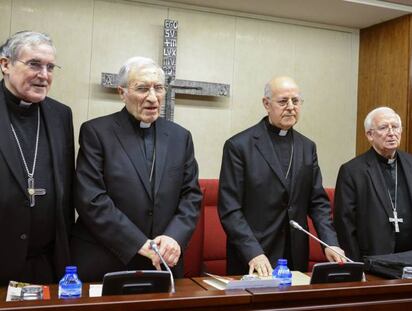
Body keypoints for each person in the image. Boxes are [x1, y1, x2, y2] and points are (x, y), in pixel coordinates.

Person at [71, 56, 202, 281]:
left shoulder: (180, 137)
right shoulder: (97, 132)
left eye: (158, 88)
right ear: (122, 92)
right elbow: (91, 199)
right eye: (142, 89)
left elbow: (191, 195)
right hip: (107, 259)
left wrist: (173, 238)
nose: (152, 98)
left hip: (164, 261)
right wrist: (139, 243)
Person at [218, 76, 344, 276]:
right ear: (266, 104)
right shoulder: (239, 146)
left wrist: (330, 243)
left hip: (295, 254)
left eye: (296, 101)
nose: (291, 107)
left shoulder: (307, 147)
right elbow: (230, 209)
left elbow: (318, 203)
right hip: (254, 255)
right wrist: (253, 252)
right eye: (283, 101)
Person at [0, 31, 74, 285]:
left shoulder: (60, 115)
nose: (44, 75)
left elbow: (66, 189)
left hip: (47, 264)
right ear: (5, 64)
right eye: (34, 64)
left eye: (50, 67)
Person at [334, 107, 412, 262]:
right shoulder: (352, 171)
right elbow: (345, 224)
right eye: (384, 127)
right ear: (369, 135)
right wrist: (356, 265)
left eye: (395, 127)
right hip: (373, 260)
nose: (391, 133)